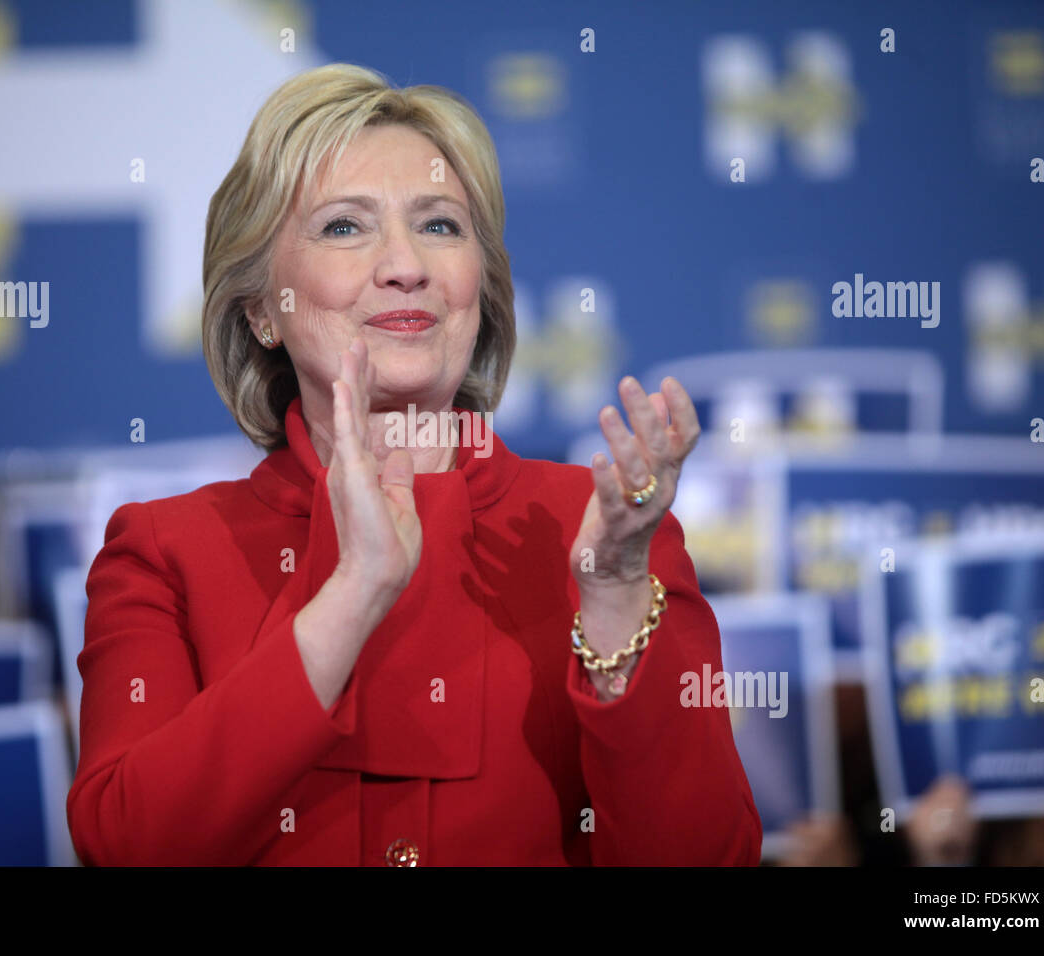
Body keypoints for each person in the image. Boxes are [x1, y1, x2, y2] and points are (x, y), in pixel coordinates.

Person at [65, 63, 761, 866]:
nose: (406, 265)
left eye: (438, 226)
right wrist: (352, 594)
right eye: (343, 227)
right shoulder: (165, 550)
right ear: (260, 308)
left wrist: (611, 604)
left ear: (482, 289)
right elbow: (125, 845)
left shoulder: (601, 532)